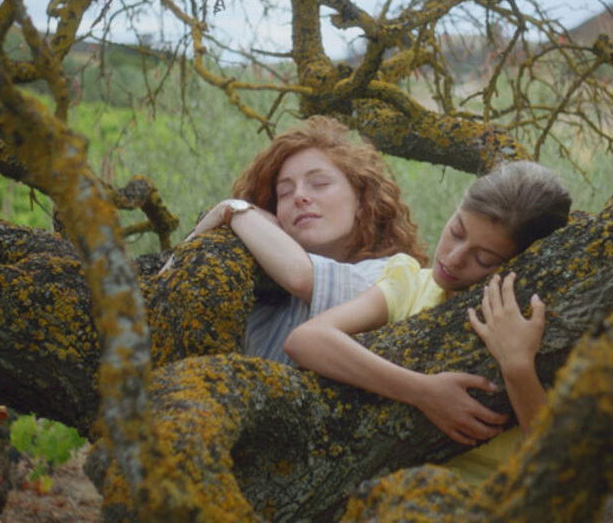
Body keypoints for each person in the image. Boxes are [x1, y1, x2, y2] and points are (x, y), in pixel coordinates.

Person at [284, 160, 571, 483]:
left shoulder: (545, 331)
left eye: (484, 259)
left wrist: (518, 368)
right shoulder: (411, 284)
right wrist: (422, 391)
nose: (454, 258)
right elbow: (306, 340)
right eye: (457, 232)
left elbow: (562, 473)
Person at [169, 115, 427, 363]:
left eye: (319, 183)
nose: (299, 196)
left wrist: (233, 208)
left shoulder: (391, 273)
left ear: (361, 201)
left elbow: (301, 277)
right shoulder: (263, 297)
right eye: (284, 192)